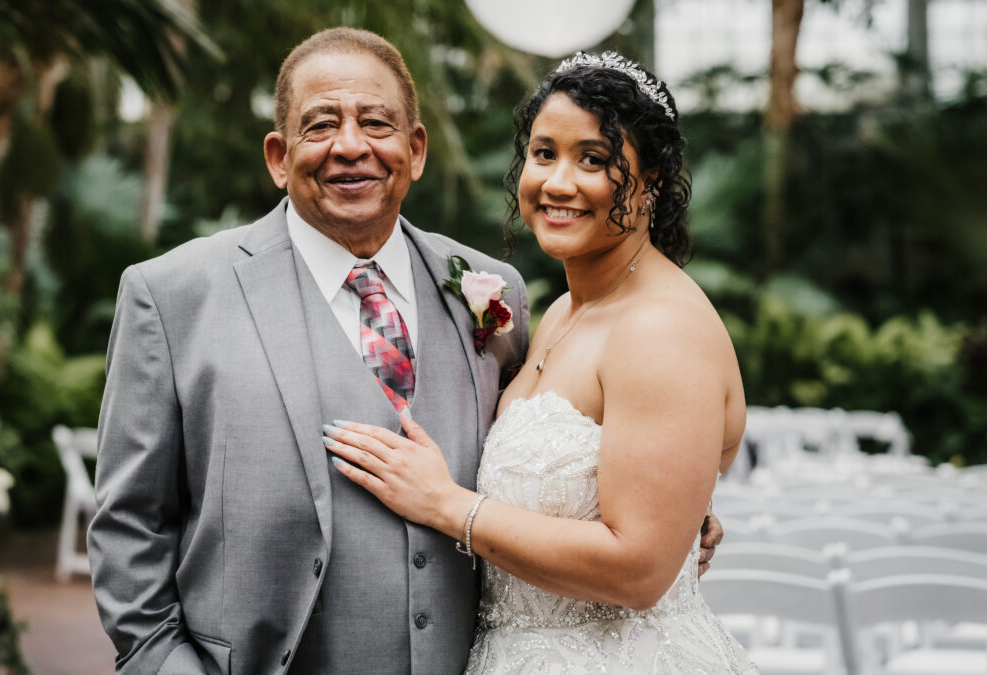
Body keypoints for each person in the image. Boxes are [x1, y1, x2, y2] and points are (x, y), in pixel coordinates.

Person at [88, 27, 721, 674]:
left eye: (376, 123)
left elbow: (608, 459)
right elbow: (128, 525)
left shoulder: (491, 293)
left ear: (415, 150)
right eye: (321, 125)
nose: (351, 145)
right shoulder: (173, 297)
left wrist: (668, 501)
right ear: (278, 156)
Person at [324, 51, 756, 672]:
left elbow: (638, 570)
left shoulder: (662, 327)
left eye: (595, 159)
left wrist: (446, 505)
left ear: (653, 177)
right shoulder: (557, 313)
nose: (557, 182)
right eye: (544, 152)